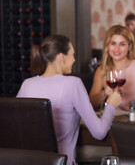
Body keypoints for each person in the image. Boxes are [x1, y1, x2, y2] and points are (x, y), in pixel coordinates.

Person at [17, 35, 122, 165]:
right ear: (61, 57)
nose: (74, 59)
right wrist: (111, 104)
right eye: (72, 54)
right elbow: (99, 133)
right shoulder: (73, 83)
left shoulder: (27, 84)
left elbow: (19, 131)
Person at [89, 25, 135, 110]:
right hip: (113, 120)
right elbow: (91, 104)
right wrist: (104, 93)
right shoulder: (101, 70)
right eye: (113, 43)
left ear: (129, 46)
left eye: (122, 44)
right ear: (107, 46)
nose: (116, 49)